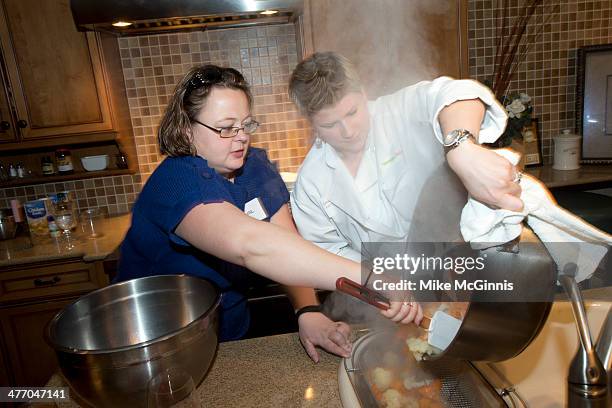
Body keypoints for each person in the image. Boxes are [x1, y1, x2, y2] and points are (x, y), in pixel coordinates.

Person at [117, 65, 421, 361]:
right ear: (186, 130)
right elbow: (252, 245)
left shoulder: (254, 167)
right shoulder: (176, 182)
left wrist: (308, 310)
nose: (241, 137)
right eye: (225, 128)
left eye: (245, 124)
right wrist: (369, 278)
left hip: (230, 335)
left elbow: (287, 246)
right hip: (158, 347)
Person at [289, 52, 522, 261]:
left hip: (456, 262)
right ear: (312, 124)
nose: (348, 131)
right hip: (381, 292)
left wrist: (462, 149)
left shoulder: (397, 112)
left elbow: (458, 93)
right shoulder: (311, 183)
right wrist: (378, 276)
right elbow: (327, 253)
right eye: (330, 124)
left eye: (352, 112)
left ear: (363, 93)